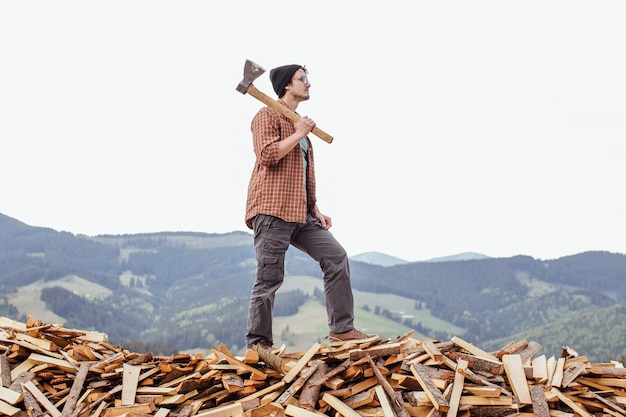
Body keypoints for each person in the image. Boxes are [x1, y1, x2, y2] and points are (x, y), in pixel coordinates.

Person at [244, 64, 373, 350]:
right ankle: (258, 343)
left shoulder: (298, 124)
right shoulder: (266, 115)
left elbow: (301, 173)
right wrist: (300, 133)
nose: (308, 84)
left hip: (300, 211)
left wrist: (315, 208)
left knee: (336, 257)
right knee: (269, 276)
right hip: (272, 208)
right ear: (287, 85)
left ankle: (342, 329)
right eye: (303, 79)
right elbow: (267, 155)